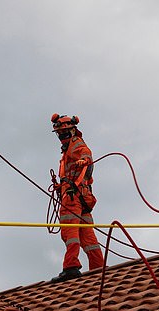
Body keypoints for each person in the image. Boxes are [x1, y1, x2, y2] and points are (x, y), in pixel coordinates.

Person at [50, 113, 104, 282]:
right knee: (87, 235)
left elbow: (86, 154)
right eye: (59, 134)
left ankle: (71, 266)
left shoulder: (75, 145)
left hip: (73, 196)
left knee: (70, 231)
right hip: (82, 196)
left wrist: (84, 160)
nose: (61, 137)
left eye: (64, 133)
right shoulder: (68, 149)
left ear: (72, 131)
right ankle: (98, 268)